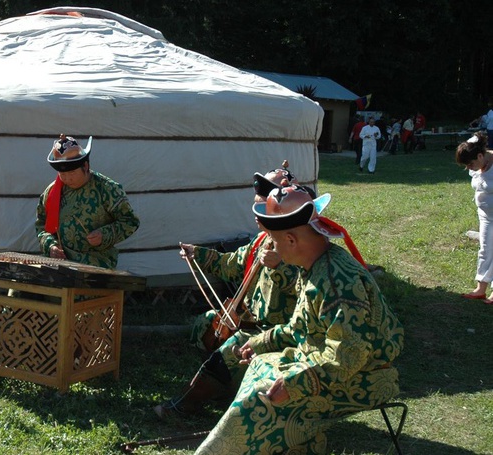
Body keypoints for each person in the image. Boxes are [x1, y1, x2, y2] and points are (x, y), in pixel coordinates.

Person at [194, 185, 404, 454]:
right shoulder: (313, 267)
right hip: (324, 363)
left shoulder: (338, 283)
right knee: (259, 365)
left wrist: (295, 383)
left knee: (263, 397)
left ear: (291, 240)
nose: (272, 247)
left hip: (367, 376)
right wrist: (259, 343)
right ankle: (298, 443)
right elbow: (298, 328)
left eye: (275, 241)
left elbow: (348, 357)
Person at [153, 166, 317, 419]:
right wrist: (198, 253)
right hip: (251, 319)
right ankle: (226, 386)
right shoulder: (261, 241)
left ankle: (187, 403)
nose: (256, 214)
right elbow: (231, 265)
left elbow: (307, 290)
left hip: (278, 330)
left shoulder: (303, 247)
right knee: (206, 324)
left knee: (229, 350)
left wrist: (278, 269)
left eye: (262, 207)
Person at [35, 134, 139, 269]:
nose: (67, 178)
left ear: (85, 165)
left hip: (95, 261)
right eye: (62, 174)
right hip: (60, 262)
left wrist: (104, 235)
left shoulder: (107, 189)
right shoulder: (52, 192)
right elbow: (41, 226)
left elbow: (130, 221)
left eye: (72, 173)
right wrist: (51, 246)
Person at [455, 130, 493, 304]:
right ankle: (481, 288)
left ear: (480, 156)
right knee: (485, 249)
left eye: (470, 164)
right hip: (486, 215)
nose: (468, 169)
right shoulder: (476, 163)